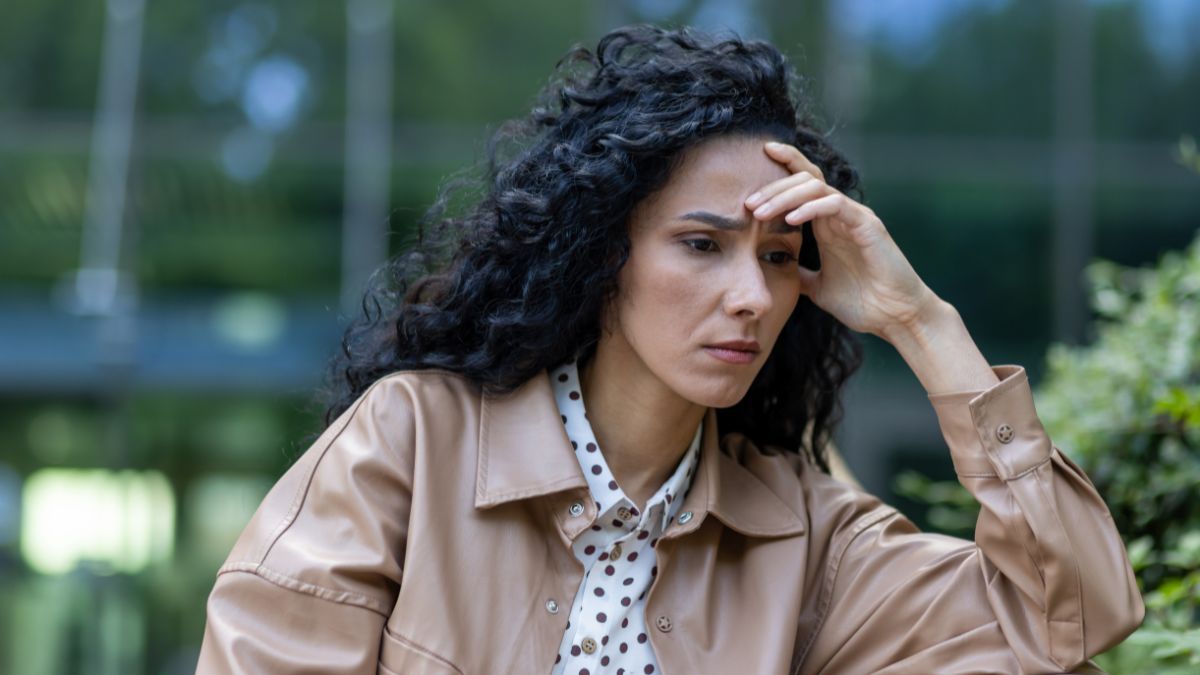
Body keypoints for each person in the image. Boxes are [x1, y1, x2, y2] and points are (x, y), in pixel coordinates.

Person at [196, 24, 1143, 674]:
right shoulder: (413, 442)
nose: (750, 295)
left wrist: (920, 322)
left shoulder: (806, 535)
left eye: (779, 257)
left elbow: (1070, 622)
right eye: (702, 244)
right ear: (604, 252)